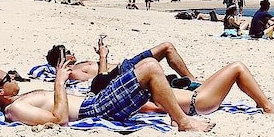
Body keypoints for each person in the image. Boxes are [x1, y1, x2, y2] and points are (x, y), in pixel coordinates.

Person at [0, 55, 274, 132]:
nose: (16, 77)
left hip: (98, 103)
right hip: (94, 110)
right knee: (150, 66)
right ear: (2, 92)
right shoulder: (13, 110)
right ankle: (184, 122)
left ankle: (181, 116)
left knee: (148, 68)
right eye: (10, 77)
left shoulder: (21, 98)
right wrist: (59, 81)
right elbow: (58, 121)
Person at [45, 41, 200, 84]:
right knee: (167, 47)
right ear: (64, 58)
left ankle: (191, 80)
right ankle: (192, 80)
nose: (73, 53)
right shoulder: (73, 72)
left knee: (168, 47)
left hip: (126, 66)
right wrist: (103, 56)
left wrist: (101, 54)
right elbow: (101, 80)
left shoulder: (80, 65)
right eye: (69, 53)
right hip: (124, 72)